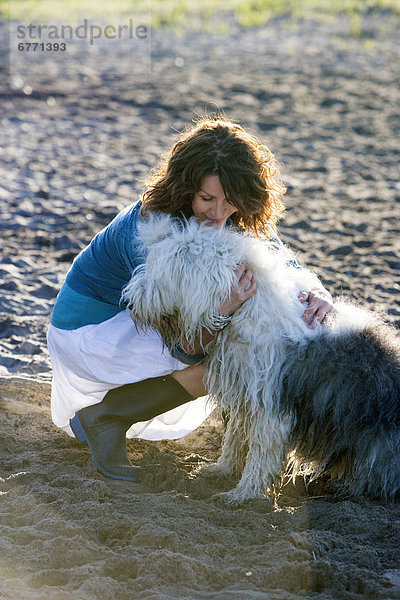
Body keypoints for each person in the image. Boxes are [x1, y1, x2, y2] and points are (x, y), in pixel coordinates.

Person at [47, 116, 335, 482]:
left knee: (240, 346)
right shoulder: (151, 234)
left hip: (130, 328)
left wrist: (318, 293)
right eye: (206, 199)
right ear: (185, 189)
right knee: (226, 361)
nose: (218, 214)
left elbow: (280, 256)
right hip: (90, 332)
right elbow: (184, 347)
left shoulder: (228, 215)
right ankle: (108, 417)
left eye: (230, 201)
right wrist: (223, 309)